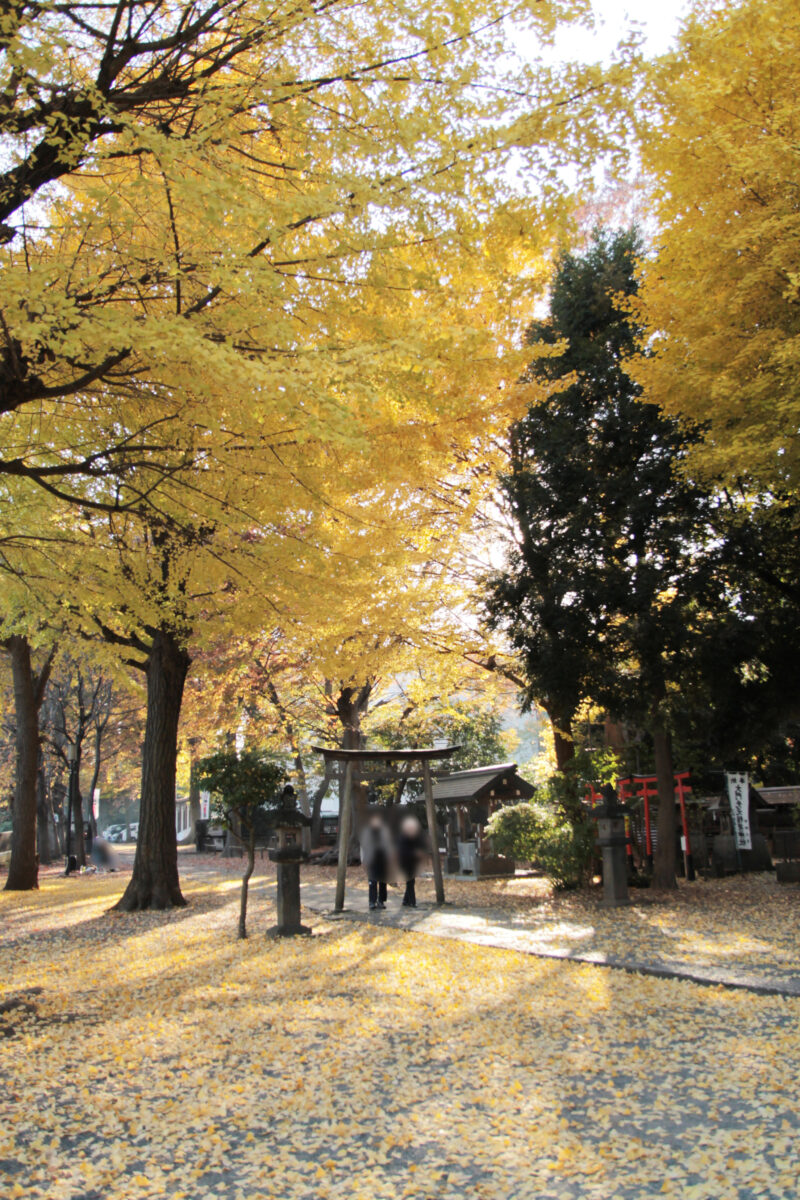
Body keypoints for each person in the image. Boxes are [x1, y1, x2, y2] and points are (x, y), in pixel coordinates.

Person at [360, 812, 393, 910]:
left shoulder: (385, 832)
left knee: (382, 881)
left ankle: (381, 900)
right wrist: (363, 860)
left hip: (382, 859)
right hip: (371, 859)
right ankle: (372, 901)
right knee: (372, 881)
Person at [397, 814, 426, 908]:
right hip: (405, 863)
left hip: (411, 863)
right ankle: (412, 902)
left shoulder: (413, 837)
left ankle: (406, 900)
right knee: (410, 882)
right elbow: (404, 852)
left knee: (411, 882)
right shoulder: (403, 838)